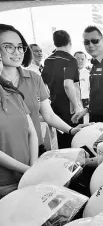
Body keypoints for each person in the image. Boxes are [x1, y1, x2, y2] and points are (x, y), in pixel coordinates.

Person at [0, 25, 84, 154]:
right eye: (9, 47)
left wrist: (71, 130)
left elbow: (48, 114)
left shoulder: (34, 78)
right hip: (7, 154)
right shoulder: (68, 60)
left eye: (20, 46)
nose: (17, 52)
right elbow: (68, 85)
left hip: (36, 149)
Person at [0, 50, 38, 198]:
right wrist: (28, 170)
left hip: (26, 177)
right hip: (4, 184)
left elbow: (31, 133)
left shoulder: (13, 93)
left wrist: (33, 167)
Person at [41, 30, 83, 149]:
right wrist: (76, 106)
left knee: (60, 137)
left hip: (53, 105)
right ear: (69, 42)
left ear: (55, 43)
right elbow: (68, 85)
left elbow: (43, 83)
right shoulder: (71, 60)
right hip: (69, 106)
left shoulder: (48, 60)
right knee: (74, 136)